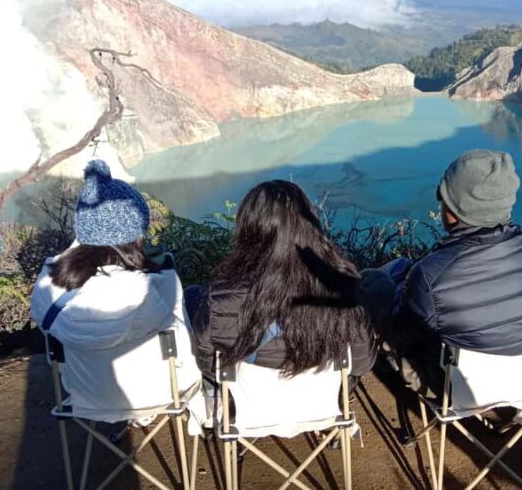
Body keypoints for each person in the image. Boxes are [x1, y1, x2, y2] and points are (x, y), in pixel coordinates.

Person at [364, 149, 522, 397]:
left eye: (444, 196)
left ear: (456, 209)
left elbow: (403, 334)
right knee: (401, 270)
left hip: (456, 389)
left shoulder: (433, 274)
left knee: (374, 283)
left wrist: (376, 286)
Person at [30, 160, 200, 419]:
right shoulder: (149, 284)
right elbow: (178, 327)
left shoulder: (48, 282)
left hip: (85, 397)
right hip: (163, 392)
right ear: (137, 232)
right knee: (191, 301)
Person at [189, 180, 379, 381]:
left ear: (248, 229)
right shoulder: (344, 288)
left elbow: (208, 363)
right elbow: (362, 362)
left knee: (192, 294)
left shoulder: (220, 296)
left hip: (248, 405)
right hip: (323, 404)